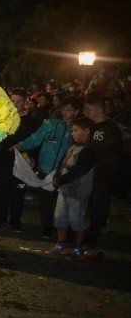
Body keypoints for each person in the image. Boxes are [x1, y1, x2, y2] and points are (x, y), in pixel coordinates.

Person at [12, 95, 82, 238]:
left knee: (65, 203)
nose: (65, 112)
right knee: (46, 202)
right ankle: (47, 227)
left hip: (65, 172)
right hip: (46, 169)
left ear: (76, 112)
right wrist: (21, 145)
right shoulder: (51, 123)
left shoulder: (78, 129)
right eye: (63, 108)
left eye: (69, 109)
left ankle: (64, 230)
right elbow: (36, 138)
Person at [45, 117, 95, 259]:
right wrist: (57, 176)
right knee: (60, 217)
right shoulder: (73, 147)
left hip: (78, 191)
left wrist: (61, 180)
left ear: (86, 131)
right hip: (65, 189)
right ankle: (61, 244)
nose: (72, 133)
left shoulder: (89, 151)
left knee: (76, 220)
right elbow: (63, 164)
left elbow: (79, 170)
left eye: (75, 130)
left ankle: (78, 247)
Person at [0, 88, 40, 231]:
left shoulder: (31, 122)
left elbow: (36, 141)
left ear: (25, 102)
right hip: (2, 163)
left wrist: (33, 159)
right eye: (12, 100)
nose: (15, 103)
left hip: (21, 164)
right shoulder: (3, 118)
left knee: (18, 194)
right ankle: (1, 220)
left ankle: (15, 222)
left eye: (19, 101)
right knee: (1, 193)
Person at [82, 95, 123, 244]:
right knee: (89, 205)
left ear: (99, 109)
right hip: (88, 174)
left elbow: (112, 153)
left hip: (103, 175)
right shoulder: (91, 127)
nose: (85, 113)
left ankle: (94, 235)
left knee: (99, 206)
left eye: (88, 109)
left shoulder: (111, 128)